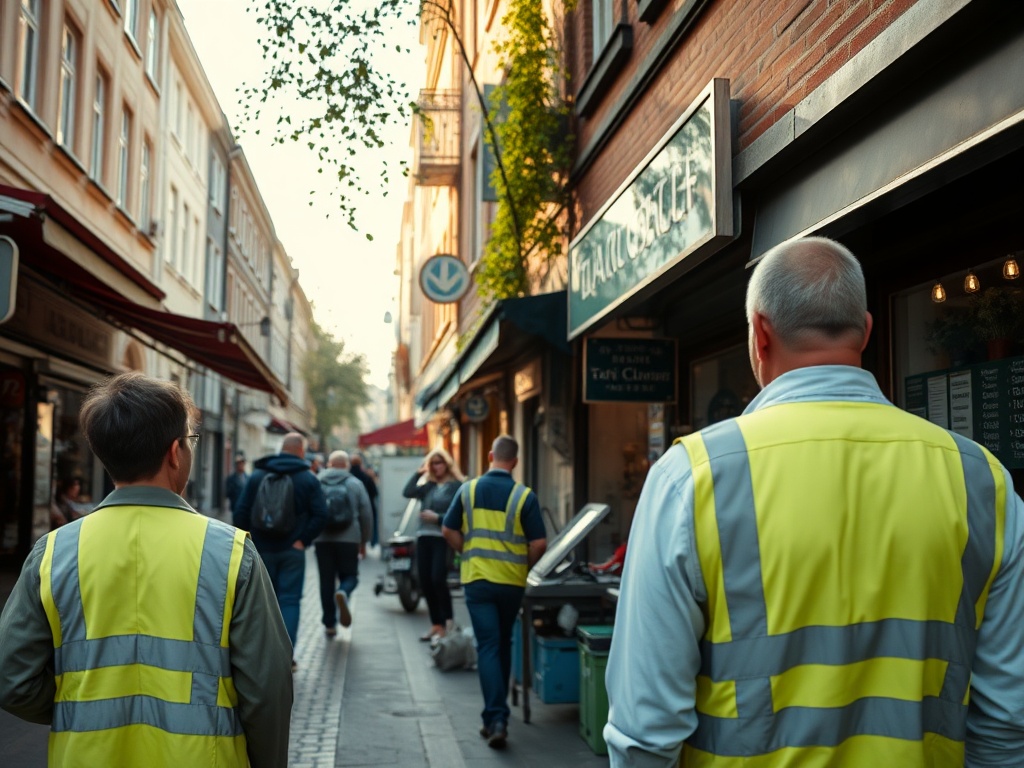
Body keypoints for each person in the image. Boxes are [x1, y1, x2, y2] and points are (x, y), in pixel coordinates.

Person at [604, 237, 1024, 766]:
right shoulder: (980, 480)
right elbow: (1006, 724)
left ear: (760, 332)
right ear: (866, 331)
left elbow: (645, 731)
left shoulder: (692, 478)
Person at [0, 372, 293, 767]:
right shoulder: (232, 554)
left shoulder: (52, 552)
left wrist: (78, 707)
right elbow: (269, 690)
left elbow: (11, 678)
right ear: (175, 452)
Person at [442, 435, 547, 749]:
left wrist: (467, 552)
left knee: (487, 645)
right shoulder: (524, 496)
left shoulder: (468, 490)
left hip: (477, 580)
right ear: (514, 461)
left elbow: (448, 530)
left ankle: (495, 719)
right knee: (503, 643)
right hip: (511, 582)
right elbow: (539, 544)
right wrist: (520, 565)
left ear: (490, 456)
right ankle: (497, 714)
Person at [234, 432, 328, 666]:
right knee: (290, 601)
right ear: (301, 452)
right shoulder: (308, 478)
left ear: (281, 449)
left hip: (261, 550)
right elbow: (321, 515)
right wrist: (303, 540)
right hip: (292, 551)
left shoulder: (257, 475)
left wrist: (250, 540)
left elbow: (240, 512)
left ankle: (262, 657)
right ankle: (286, 659)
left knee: (263, 603)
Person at [402, 447, 465, 642]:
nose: (436, 467)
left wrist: (437, 518)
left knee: (438, 578)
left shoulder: (456, 486)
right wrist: (419, 472)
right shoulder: (428, 485)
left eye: (439, 462)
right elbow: (408, 492)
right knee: (424, 580)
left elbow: (461, 516)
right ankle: (436, 625)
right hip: (423, 536)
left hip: (442, 537)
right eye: (432, 463)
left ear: (447, 464)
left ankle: (448, 622)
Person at [315, 450, 372, 637]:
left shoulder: (317, 481)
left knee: (326, 580)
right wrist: (364, 541)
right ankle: (344, 591)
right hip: (349, 539)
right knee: (350, 575)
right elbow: (366, 515)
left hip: (322, 539)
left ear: (329, 464)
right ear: (347, 465)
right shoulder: (355, 484)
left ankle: (329, 624)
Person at [349, 452, 380, 546]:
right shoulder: (366, 477)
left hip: (351, 508)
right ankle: (365, 545)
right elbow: (374, 492)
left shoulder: (348, 477)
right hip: (368, 506)